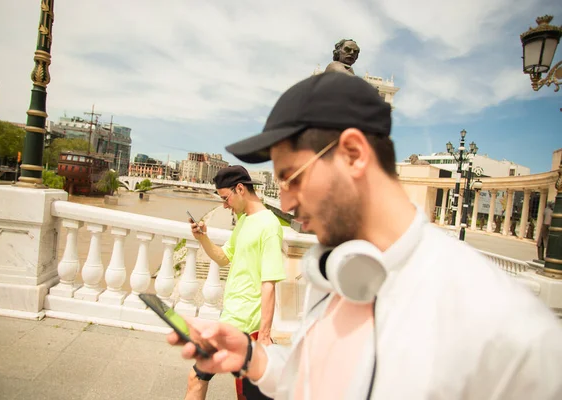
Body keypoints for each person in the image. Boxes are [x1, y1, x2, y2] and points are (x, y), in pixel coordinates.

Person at [168, 72, 562, 399]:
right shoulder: (335, 270)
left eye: (291, 177)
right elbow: (316, 380)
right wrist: (255, 357)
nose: (284, 203)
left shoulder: (513, 336)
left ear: (354, 154)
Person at [184, 165, 286, 400]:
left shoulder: (269, 226)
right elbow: (223, 258)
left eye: (225, 198)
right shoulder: (244, 220)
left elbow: (269, 283)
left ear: (240, 189)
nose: (224, 205)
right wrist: (203, 238)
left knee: (197, 376)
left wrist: (264, 335)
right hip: (232, 315)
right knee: (245, 393)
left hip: (244, 323)